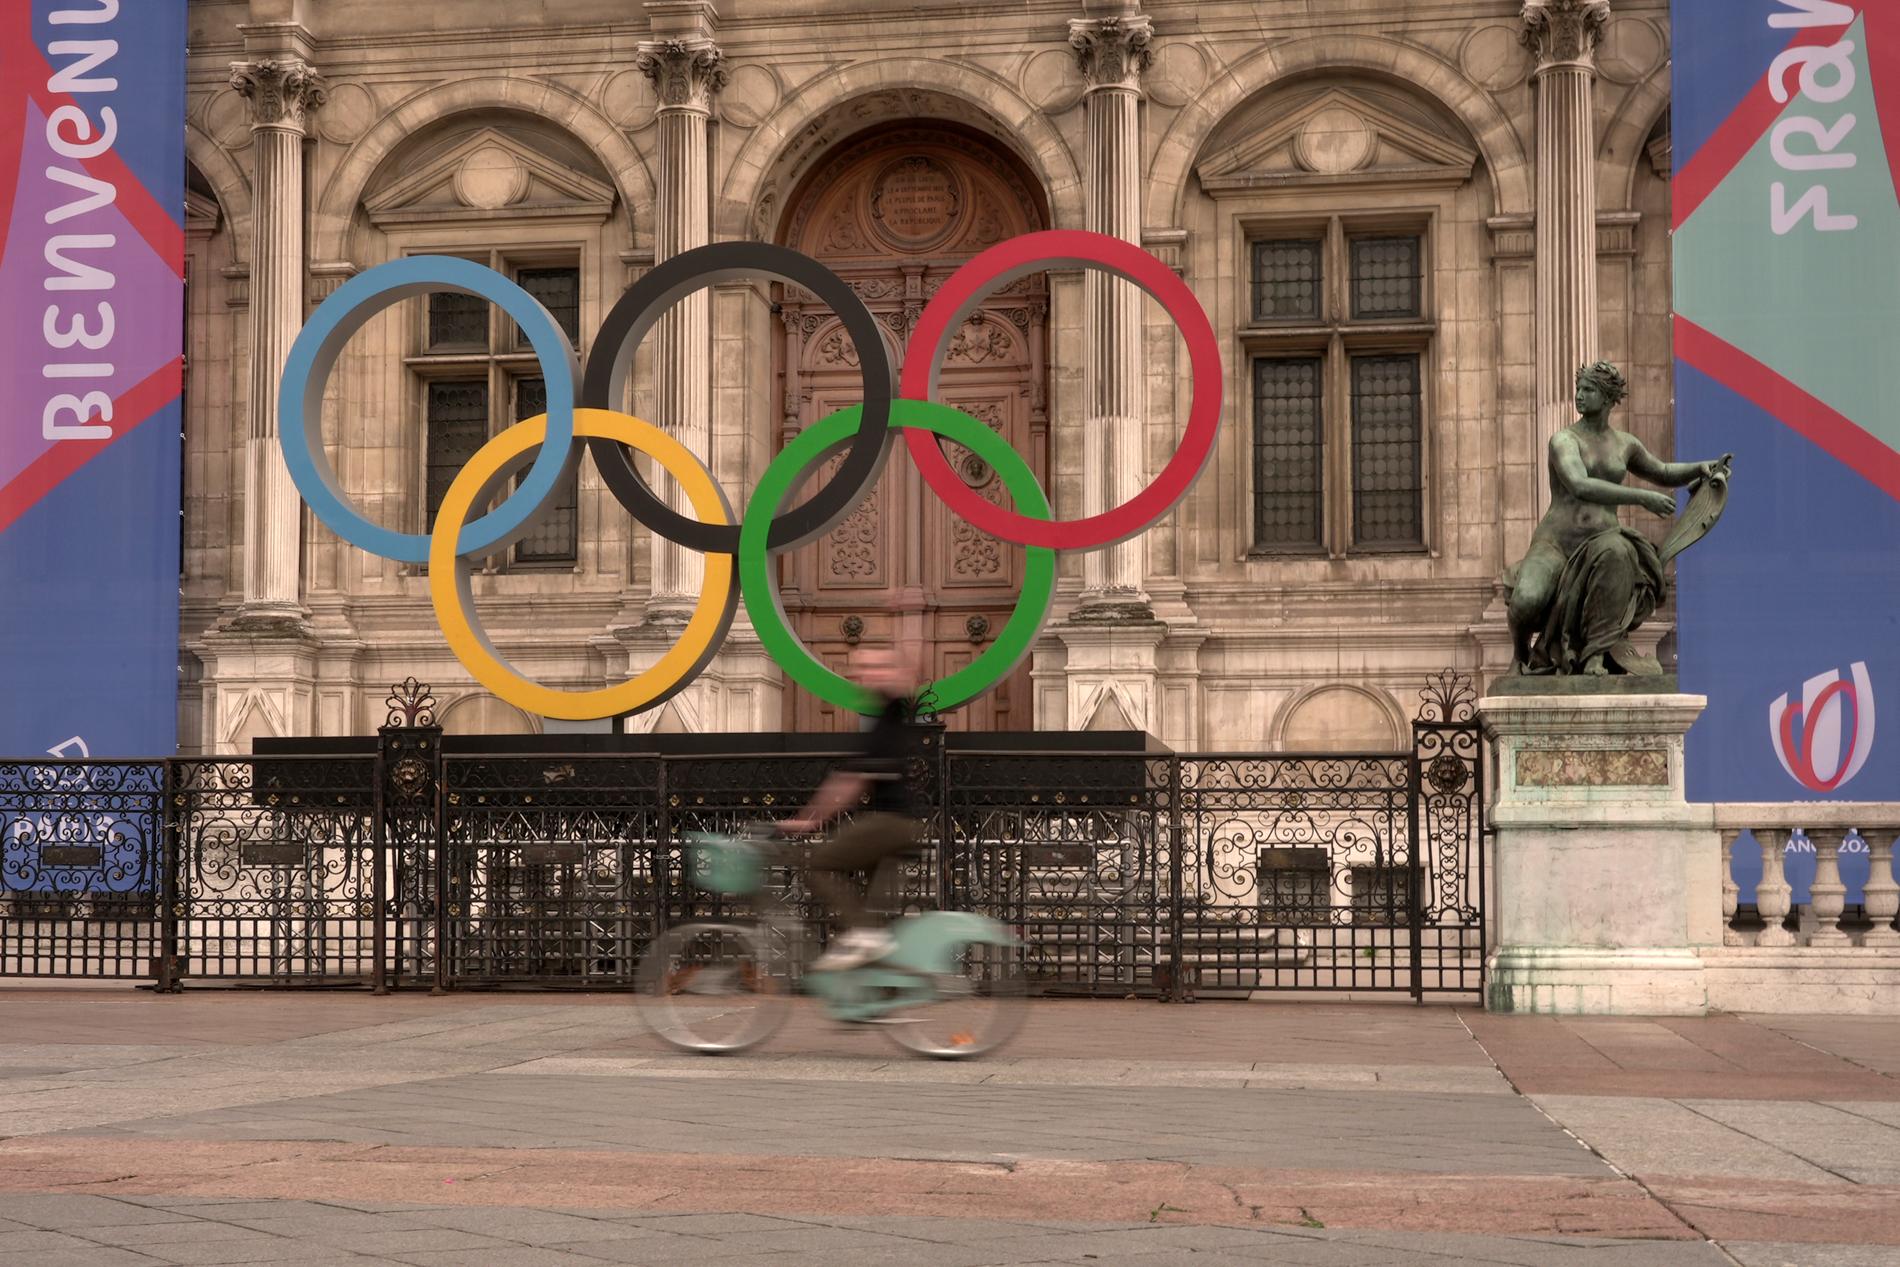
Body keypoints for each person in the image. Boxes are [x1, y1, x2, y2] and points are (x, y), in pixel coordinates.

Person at [1506, 361, 1731, 676]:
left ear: (1608, 398)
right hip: (1557, 543)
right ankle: (1520, 655)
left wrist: (1700, 467)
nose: (1579, 396)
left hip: (1603, 540)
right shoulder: (1564, 440)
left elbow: (1663, 472)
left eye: (1588, 390)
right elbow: (1579, 485)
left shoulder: (1625, 444)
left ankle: (1595, 656)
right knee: (1527, 601)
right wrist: (1641, 497)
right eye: (1579, 389)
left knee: (1619, 553)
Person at [780, 643, 928, 971]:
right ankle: (881, 987)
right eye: (861, 670)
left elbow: (847, 784)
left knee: (819, 865)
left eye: (875, 668)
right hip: (895, 824)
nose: (864, 675)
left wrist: (808, 821)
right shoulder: (883, 716)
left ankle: (864, 937)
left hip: (891, 823)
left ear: (895, 675)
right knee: (871, 909)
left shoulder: (891, 711)